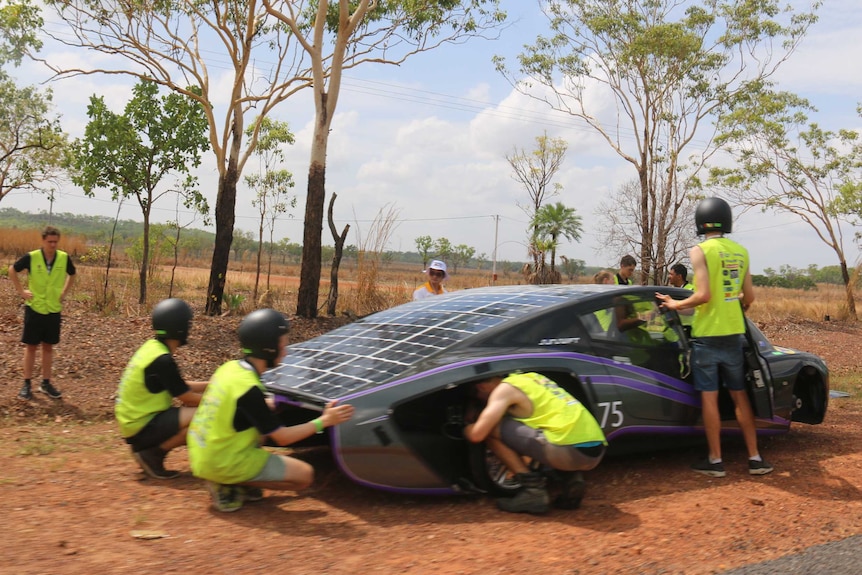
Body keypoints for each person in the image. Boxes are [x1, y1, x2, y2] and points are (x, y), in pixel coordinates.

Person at [187, 308, 355, 512]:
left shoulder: (229, 369)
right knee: (304, 475)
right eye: (282, 344)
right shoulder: (250, 389)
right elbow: (282, 438)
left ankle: (232, 478)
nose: (285, 351)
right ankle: (228, 483)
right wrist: (324, 421)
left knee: (263, 428)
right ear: (268, 348)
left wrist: (265, 405)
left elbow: (235, 406)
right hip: (220, 461)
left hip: (201, 452)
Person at [656, 197, 773, 478]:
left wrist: (675, 305)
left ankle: (716, 461)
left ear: (701, 222)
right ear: (727, 221)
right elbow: (750, 297)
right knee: (739, 396)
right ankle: (756, 459)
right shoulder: (740, 251)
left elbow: (703, 295)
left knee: (709, 398)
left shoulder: (700, 251)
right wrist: (736, 309)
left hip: (707, 337)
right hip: (734, 336)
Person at [465, 372, 607, 515]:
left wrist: (466, 428)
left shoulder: (504, 390)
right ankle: (572, 480)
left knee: (492, 429)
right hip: (596, 450)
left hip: (567, 453)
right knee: (547, 427)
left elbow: (477, 435)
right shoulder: (532, 377)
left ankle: (533, 492)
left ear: (481, 387)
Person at [115, 298, 207, 479]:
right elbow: (186, 397)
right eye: (187, 324)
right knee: (206, 415)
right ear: (179, 327)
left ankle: (150, 452)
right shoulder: (162, 359)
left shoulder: (152, 349)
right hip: (142, 425)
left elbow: (178, 385)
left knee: (201, 411)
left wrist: (213, 385)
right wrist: (222, 401)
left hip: (134, 423)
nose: (189, 329)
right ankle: (152, 454)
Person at [9, 226, 76, 400]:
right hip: (35, 308)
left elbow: (73, 274)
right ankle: (26, 384)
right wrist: (21, 292)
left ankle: (46, 383)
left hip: (53, 309)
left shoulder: (63, 258)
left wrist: (63, 293)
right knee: (31, 347)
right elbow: (12, 270)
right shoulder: (32, 257)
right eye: (50, 242)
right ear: (43, 241)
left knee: (48, 347)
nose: (53, 245)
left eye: (55, 242)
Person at [668, 263, 695, 333]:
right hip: (674, 329)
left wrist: (671, 308)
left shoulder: (691, 290)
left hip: (689, 330)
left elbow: (691, 311)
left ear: (679, 276)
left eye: (671, 274)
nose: (669, 276)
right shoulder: (670, 291)